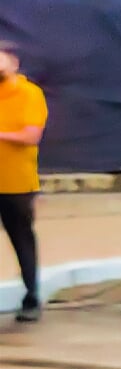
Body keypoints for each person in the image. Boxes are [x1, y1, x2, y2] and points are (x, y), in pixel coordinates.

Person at [0, 40, 49, 324]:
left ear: (14, 63)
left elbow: (31, 135)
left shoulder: (30, 94)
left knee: (22, 239)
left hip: (16, 182)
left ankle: (32, 296)